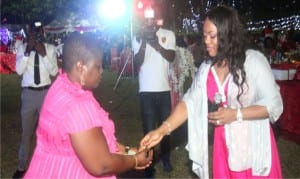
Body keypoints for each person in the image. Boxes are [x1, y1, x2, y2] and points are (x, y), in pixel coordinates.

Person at [141, 5, 283, 179]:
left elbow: (274, 105)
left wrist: (237, 114)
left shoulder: (253, 62)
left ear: (227, 35)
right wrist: (161, 130)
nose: (206, 41)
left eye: (212, 36)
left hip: (253, 145)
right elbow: (189, 102)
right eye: (205, 35)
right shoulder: (207, 69)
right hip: (224, 145)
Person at [23, 32, 153, 178]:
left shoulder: (62, 85)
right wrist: (135, 161)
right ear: (80, 67)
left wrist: (130, 151)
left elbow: (95, 141)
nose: (102, 72)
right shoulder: (77, 106)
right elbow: (101, 165)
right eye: (98, 66)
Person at [132, 17, 176, 177]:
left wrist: (156, 44)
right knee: (149, 130)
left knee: (165, 129)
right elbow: (137, 62)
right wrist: (144, 41)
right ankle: (148, 166)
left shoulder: (168, 34)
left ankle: (165, 159)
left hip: (163, 89)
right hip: (146, 91)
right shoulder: (137, 36)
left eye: (151, 19)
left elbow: (172, 56)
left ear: (157, 19)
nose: (148, 22)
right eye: (145, 20)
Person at [13, 25, 59, 178]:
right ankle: (21, 167)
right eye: (31, 33)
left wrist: (44, 54)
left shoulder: (50, 48)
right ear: (27, 34)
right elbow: (19, 70)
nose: (34, 36)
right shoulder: (22, 48)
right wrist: (27, 52)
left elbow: (54, 72)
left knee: (49, 133)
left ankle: (49, 166)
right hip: (28, 95)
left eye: (37, 33)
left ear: (41, 33)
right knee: (26, 134)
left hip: (46, 94)